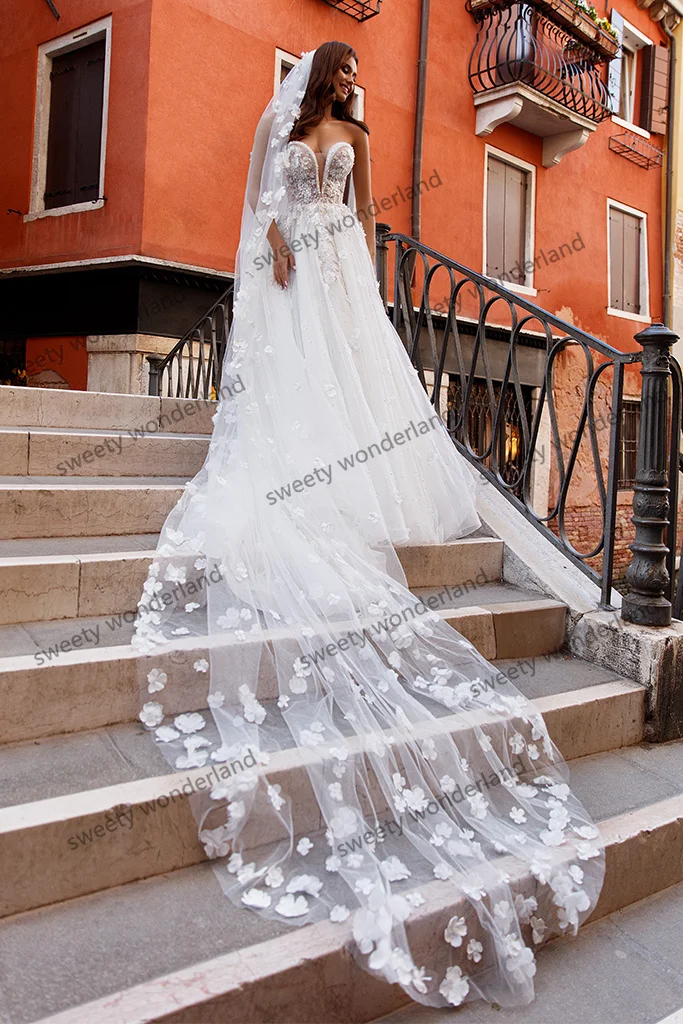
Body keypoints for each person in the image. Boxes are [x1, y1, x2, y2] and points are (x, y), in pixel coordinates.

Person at [133, 43, 604, 1010]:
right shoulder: (290, 128)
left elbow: (369, 209)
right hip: (288, 255)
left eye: (353, 76)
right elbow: (267, 190)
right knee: (295, 386)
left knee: (347, 382)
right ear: (323, 76)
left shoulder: (353, 135)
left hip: (342, 261)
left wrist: (358, 268)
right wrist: (272, 246)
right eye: (344, 73)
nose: (353, 84)